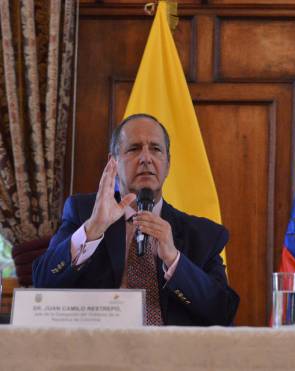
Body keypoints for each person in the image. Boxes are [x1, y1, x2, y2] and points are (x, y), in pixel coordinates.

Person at [33, 113, 239, 326]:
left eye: (156, 149)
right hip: (99, 351)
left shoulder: (202, 235)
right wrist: (92, 230)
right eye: (134, 148)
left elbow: (223, 312)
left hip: (173, 354)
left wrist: (174, 259)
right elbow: (42, 283)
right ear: (113, 162)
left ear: (168, 164)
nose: (146, 158)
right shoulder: (83, 213)